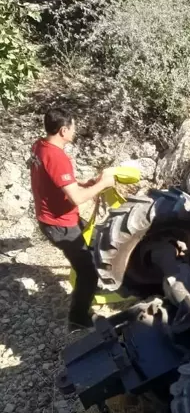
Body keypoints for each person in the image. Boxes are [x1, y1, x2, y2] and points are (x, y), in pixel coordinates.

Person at [30, 108, 116, 330]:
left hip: (55, 218)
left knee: (96, 240)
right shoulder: (57, 156)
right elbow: (76, 198)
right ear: (63, 130)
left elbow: (57, 183)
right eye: (73, 128)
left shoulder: (40, 146)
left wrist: (87, 184)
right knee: (87, 273)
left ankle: (93, 285)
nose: (75, 132)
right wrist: (102, 185)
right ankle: (78, 318)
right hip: (60, 225)